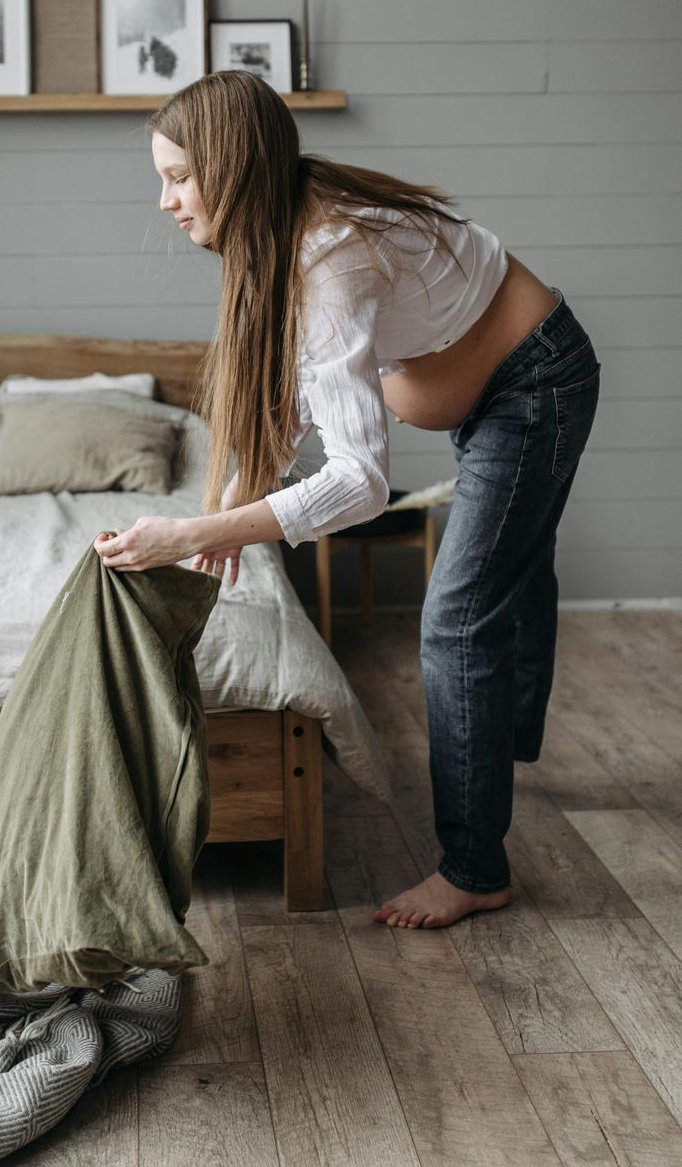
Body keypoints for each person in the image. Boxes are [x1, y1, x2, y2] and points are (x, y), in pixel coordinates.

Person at [93, 70, 600, 930]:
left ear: (233, 163)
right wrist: (235, 510)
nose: (166, 200)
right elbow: (290, 400)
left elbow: (361, 484)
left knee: (459, 618)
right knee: (515, 565)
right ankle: (499, 754)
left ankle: (475, 866)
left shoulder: (327, 256)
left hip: (536, 383)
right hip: (498, 386)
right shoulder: (284, 221)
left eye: (179, 176)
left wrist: (207, 526)